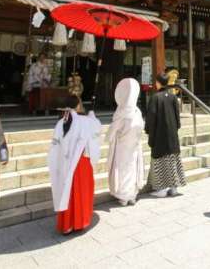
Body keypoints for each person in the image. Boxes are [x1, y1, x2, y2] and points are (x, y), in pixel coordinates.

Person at [48, 95, 102, 235]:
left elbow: (55, 146)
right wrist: (92, 115)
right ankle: (79, 222)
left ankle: (66, 225)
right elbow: (97, 128)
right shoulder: (85, 121)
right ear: (78, 106)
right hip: (80, 163)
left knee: (66, 191)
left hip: (64, 163)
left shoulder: (60, 123)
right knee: (80, 191)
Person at [145, 72, 186, 197]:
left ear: (158, 83)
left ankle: (162, 188)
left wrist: (148, 130)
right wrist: (175, 128)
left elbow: (151, 118)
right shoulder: (173, 97)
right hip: (172, 134)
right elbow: (177, 118)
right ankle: (173, 188)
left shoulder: (155, 97)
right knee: (173, 160)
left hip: (159, 135)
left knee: (161, 160)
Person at [107, 78, 145, 206]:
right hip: (134, 146)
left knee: (122, 169)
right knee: (132, 168)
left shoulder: (121, 112)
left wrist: (110, 137)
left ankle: (123, 195)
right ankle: (132, 195)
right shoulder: (137, 112)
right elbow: (141, 128)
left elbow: (113, 130)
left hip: (122, 147)